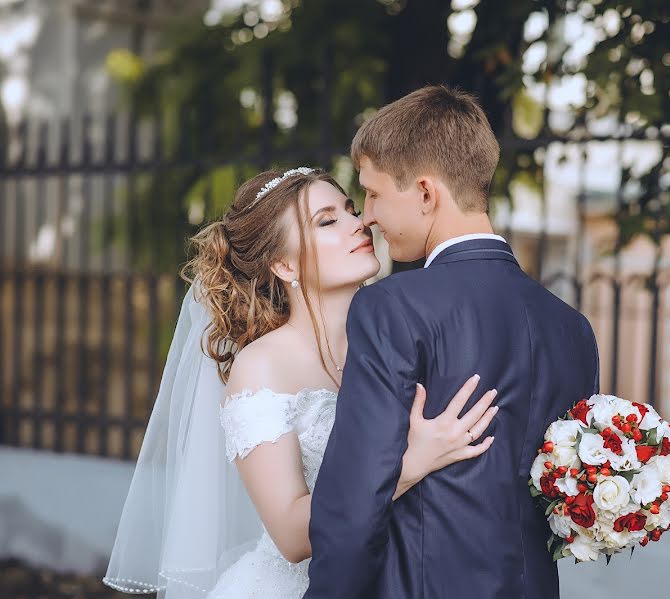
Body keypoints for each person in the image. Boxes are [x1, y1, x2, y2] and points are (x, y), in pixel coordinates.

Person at [103, 165, 499, 599]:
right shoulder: (262, 368)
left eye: (350, 209)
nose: (359, 223)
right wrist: (410, 464)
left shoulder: (400, 338)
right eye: (328, 221)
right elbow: (291, 535)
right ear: (283, 264)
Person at [306, 86, 600, 599]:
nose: (368, 216)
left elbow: (352, 504)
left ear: (425, 193)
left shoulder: (390, 307)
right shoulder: (573, 328)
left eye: (373, 194)